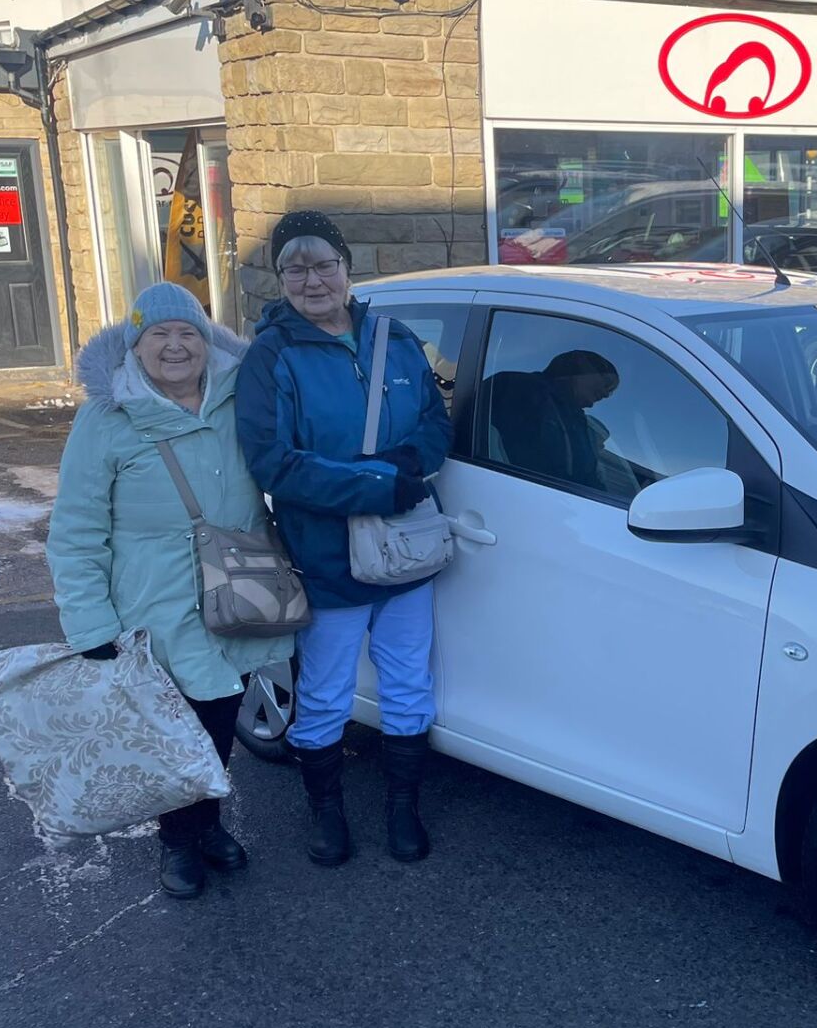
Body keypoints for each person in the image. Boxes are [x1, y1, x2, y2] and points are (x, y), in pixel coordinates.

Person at [47, 283, 294, 899]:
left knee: (216, 717)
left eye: (188, 332)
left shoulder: (240, 399)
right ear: (136, 346)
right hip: (152, 605)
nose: (176, 346)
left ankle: (203, 825)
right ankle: (180, 842)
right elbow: (76, 530)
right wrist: (91, 627)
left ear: (207, 341)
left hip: (237, 590)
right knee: (173, 728)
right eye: (159, 334)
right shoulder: (108, 419)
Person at [236, 211, 453, 868]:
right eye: (294, 267)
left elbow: (434, 419)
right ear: (280, 278)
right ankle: (326, 814)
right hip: (327, 559)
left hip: (407, 553)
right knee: (327, 692)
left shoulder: (396, 338)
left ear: (346, 267)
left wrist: (411, 467)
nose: (312, 279)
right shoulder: (272, 357)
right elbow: (273, 460)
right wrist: (378, 487)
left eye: (323, 263)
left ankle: (402, 807)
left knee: (409, 682)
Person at [485, 350, 620, 486]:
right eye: (606, 382)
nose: (605, 393)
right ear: (580, 367)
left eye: (609, 390)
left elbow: (586, 474)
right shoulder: (515, 387)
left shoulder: (578, 420)